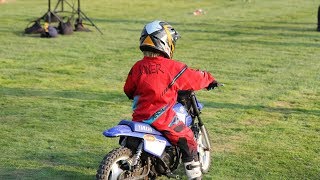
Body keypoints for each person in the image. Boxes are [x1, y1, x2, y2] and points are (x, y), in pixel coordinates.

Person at [124, 20, 217, 180]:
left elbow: (128, 90)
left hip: (139, 117)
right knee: (188, 140)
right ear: (166, 43)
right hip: (162, 118)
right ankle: (195, 177)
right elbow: (195, 78)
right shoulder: (174, 67)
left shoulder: (137, 67)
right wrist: (209, 79)